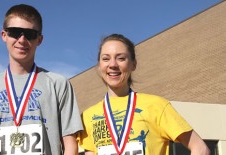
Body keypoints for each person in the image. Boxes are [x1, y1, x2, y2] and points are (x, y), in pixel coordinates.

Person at [0, 4, 83, 155]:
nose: (22, 40)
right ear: (4, 35)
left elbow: (70, 145)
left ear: (39, 39)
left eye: (30, 34)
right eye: (15, 32)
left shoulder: (58, 84)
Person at [77, 34, 210, 155]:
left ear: (133, 65)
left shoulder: (157, 105)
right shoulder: (88, 116)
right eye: (106, 59)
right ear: (99, 66)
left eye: (121, 58)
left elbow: (201, 149)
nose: (112, 64)